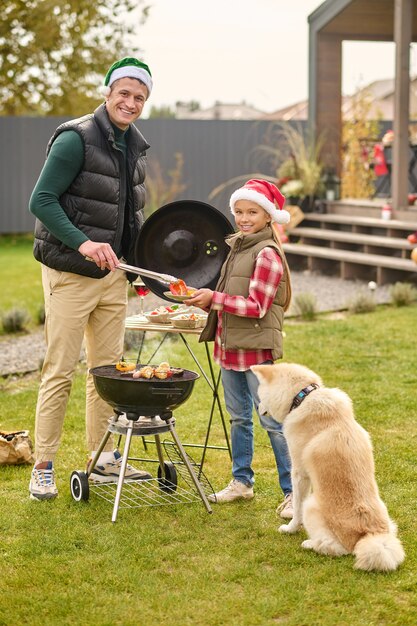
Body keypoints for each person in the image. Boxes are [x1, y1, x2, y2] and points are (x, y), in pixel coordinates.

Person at [28, 57, 153, 501]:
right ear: (107, 92)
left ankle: (101, 459)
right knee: (59, 370)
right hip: (70, 273)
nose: (131, 102)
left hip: (112, 277)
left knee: (107, 373)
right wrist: (83, 243)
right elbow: (41, 200)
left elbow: (129, 218)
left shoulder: (135, 148)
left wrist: (137, 273)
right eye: (124, 93)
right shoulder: (75, 138)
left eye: (140, 97)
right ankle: (43, 465)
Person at [186, 179, 294, 518]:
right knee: (238, 419)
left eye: (252, 212)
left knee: (273, 422)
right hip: (230, 349)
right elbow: (230, 298)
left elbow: (257, 306)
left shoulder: (266, 254)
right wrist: (208, 304)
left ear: (268, 216)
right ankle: (242, 482)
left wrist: (215, 298)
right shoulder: (238, 247)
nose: (244, 218)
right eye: (239, 212)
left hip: (256, 354)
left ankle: (294, 492)